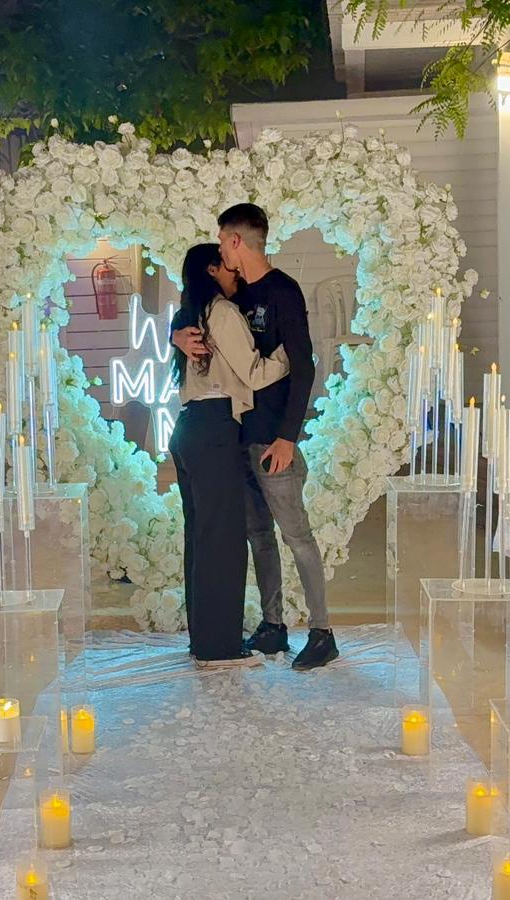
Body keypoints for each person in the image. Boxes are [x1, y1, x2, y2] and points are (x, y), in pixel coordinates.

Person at [174, 203, 338, 670]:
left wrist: (288, 437)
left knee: (296, 535)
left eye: (221, 240)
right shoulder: (235, 294)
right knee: (258, 535)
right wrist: (175, 336)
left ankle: (322, 632)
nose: (220, 251)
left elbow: (303, 366)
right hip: (235, 438)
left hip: (272, 440)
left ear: (235, 241)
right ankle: (273, 625)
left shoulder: (283, 290)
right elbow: (200, 313)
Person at [169, 243, 290, 668]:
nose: (235, 271)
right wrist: (289, 355)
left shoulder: (189, 315)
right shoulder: (221, 312)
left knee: (202, 539)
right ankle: (219, 648)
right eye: (226, 265)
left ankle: (204, 640)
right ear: (211, 270)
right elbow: (253, 372)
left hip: (188, 429)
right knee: (223, 542)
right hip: (215, 427)